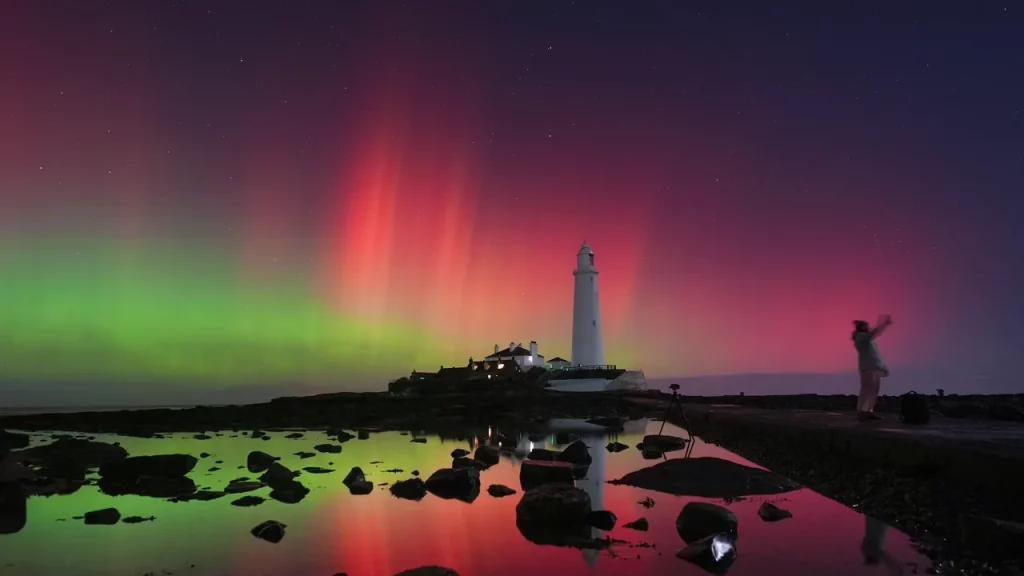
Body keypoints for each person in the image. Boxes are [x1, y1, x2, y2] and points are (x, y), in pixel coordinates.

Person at [852, 314, 892, 421]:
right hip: (867, 367)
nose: (866, 327)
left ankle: (869, 411)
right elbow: (872, 334)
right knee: (867, 389)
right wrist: (883, 324)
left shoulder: (868, 339)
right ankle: (862, 411)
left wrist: (882, 366)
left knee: (874, 390)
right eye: (864, 326)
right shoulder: (860, 337)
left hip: (874, 367)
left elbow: (876, 354)